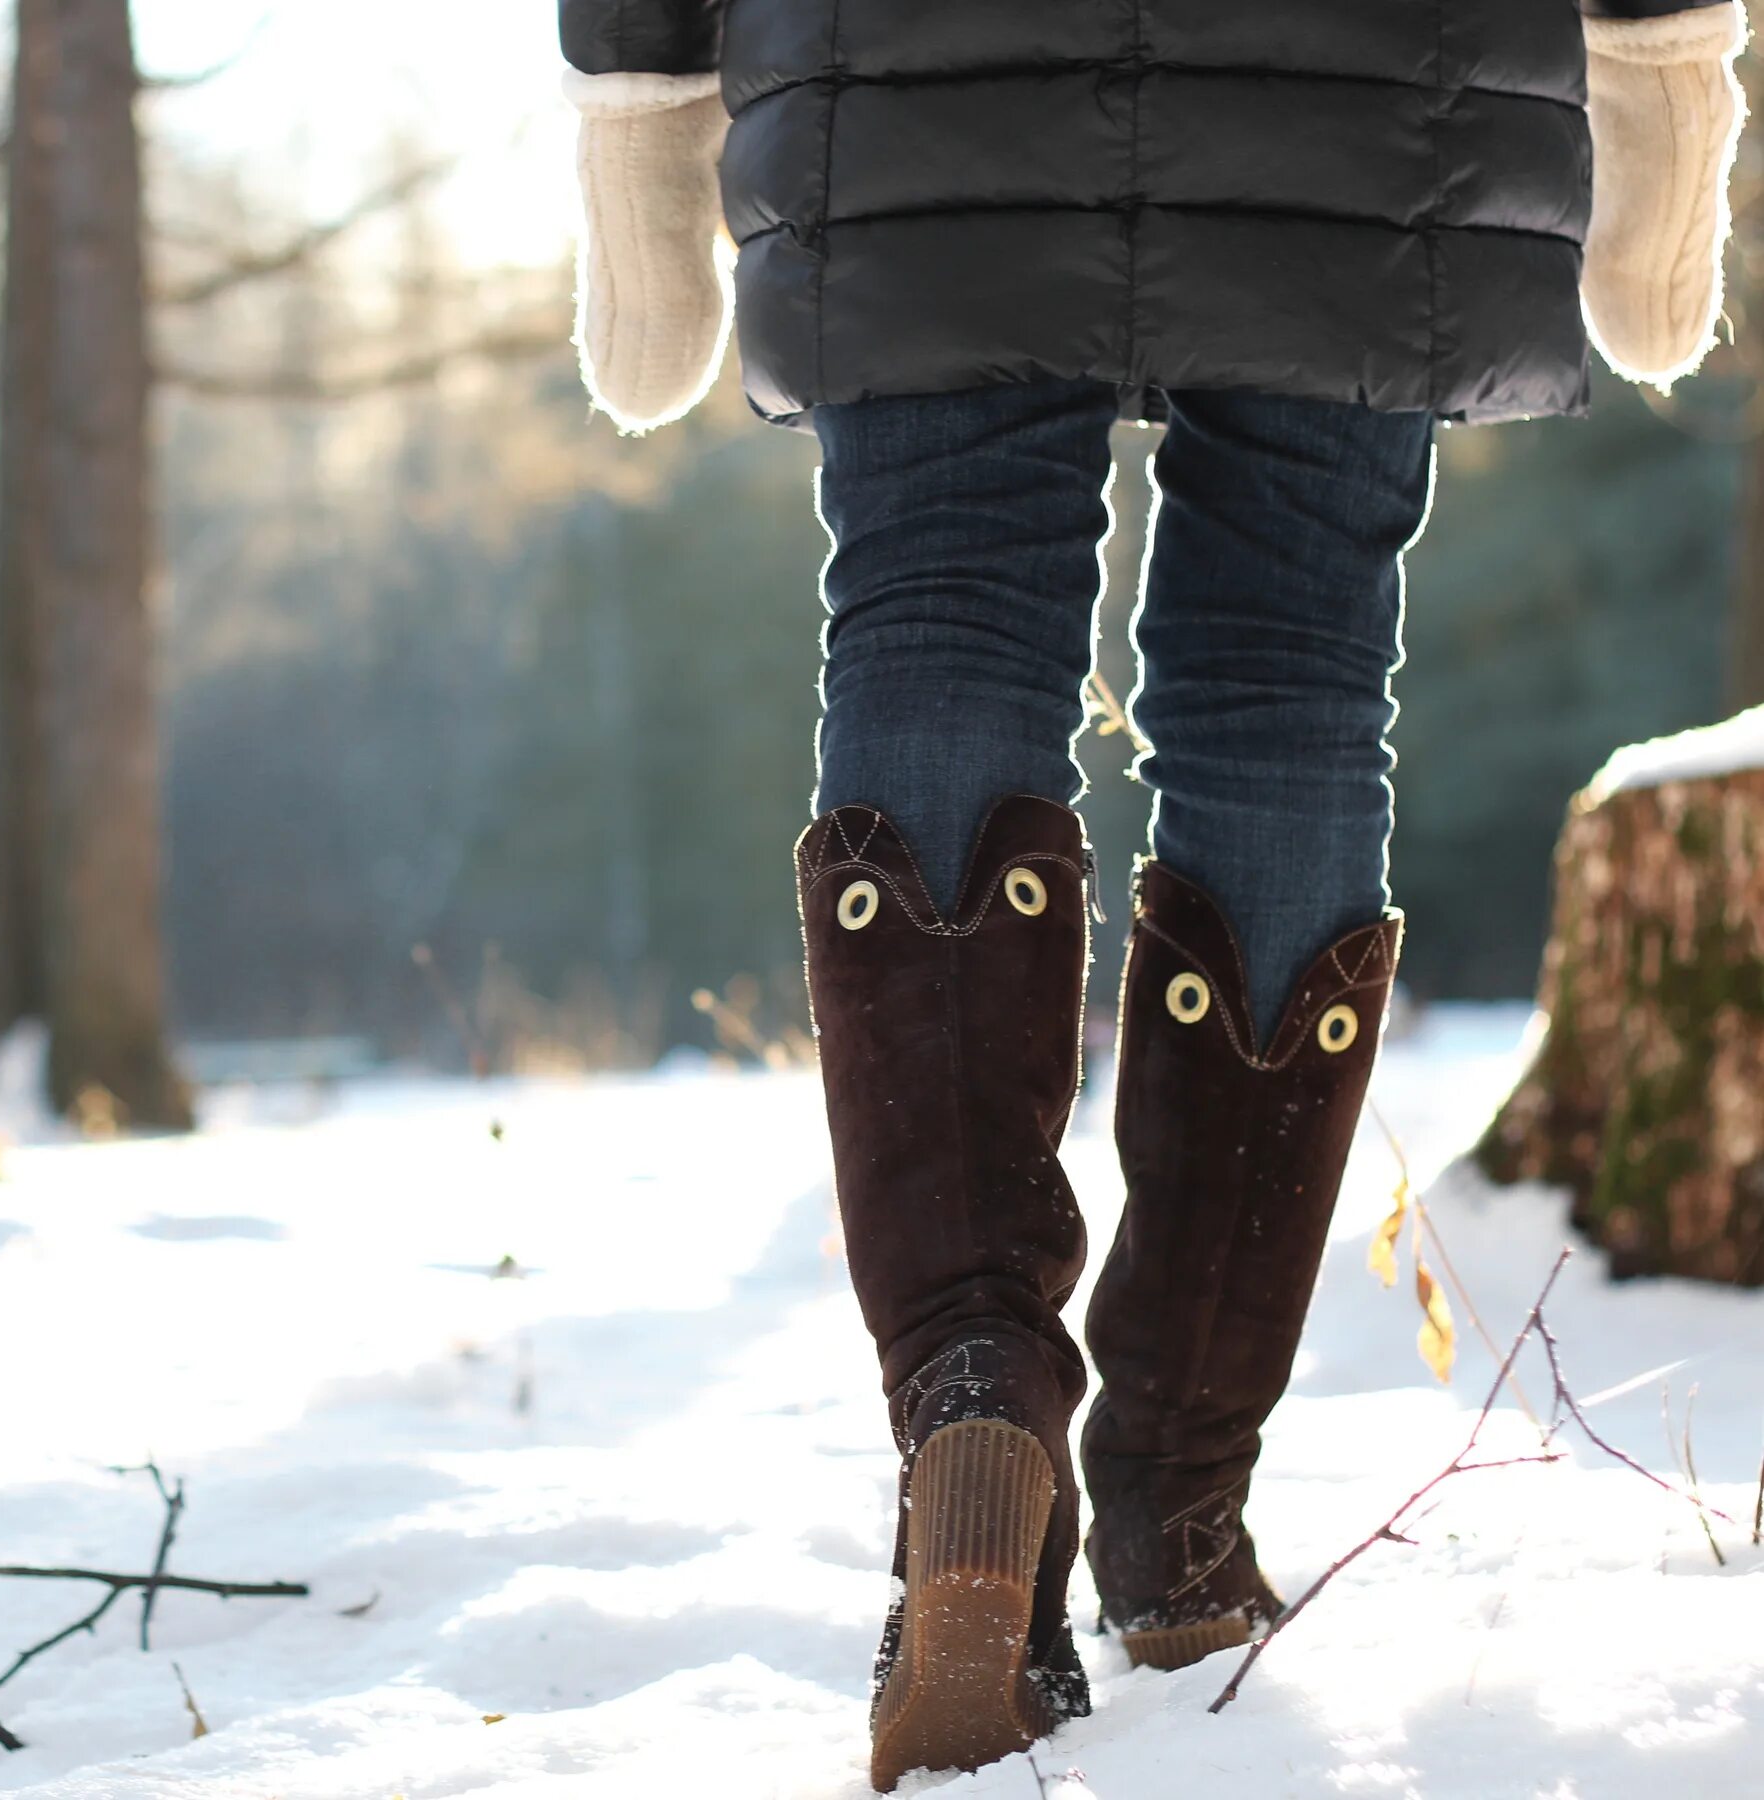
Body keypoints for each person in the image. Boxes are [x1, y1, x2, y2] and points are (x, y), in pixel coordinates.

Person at [557, 0, 1747, 1787]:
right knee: (1288, 686)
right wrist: (1666, 72)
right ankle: (1182, 1503)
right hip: (1372, 78)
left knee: (938, 616)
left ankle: (974, 1401)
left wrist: (641, 104)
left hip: (910, 73)